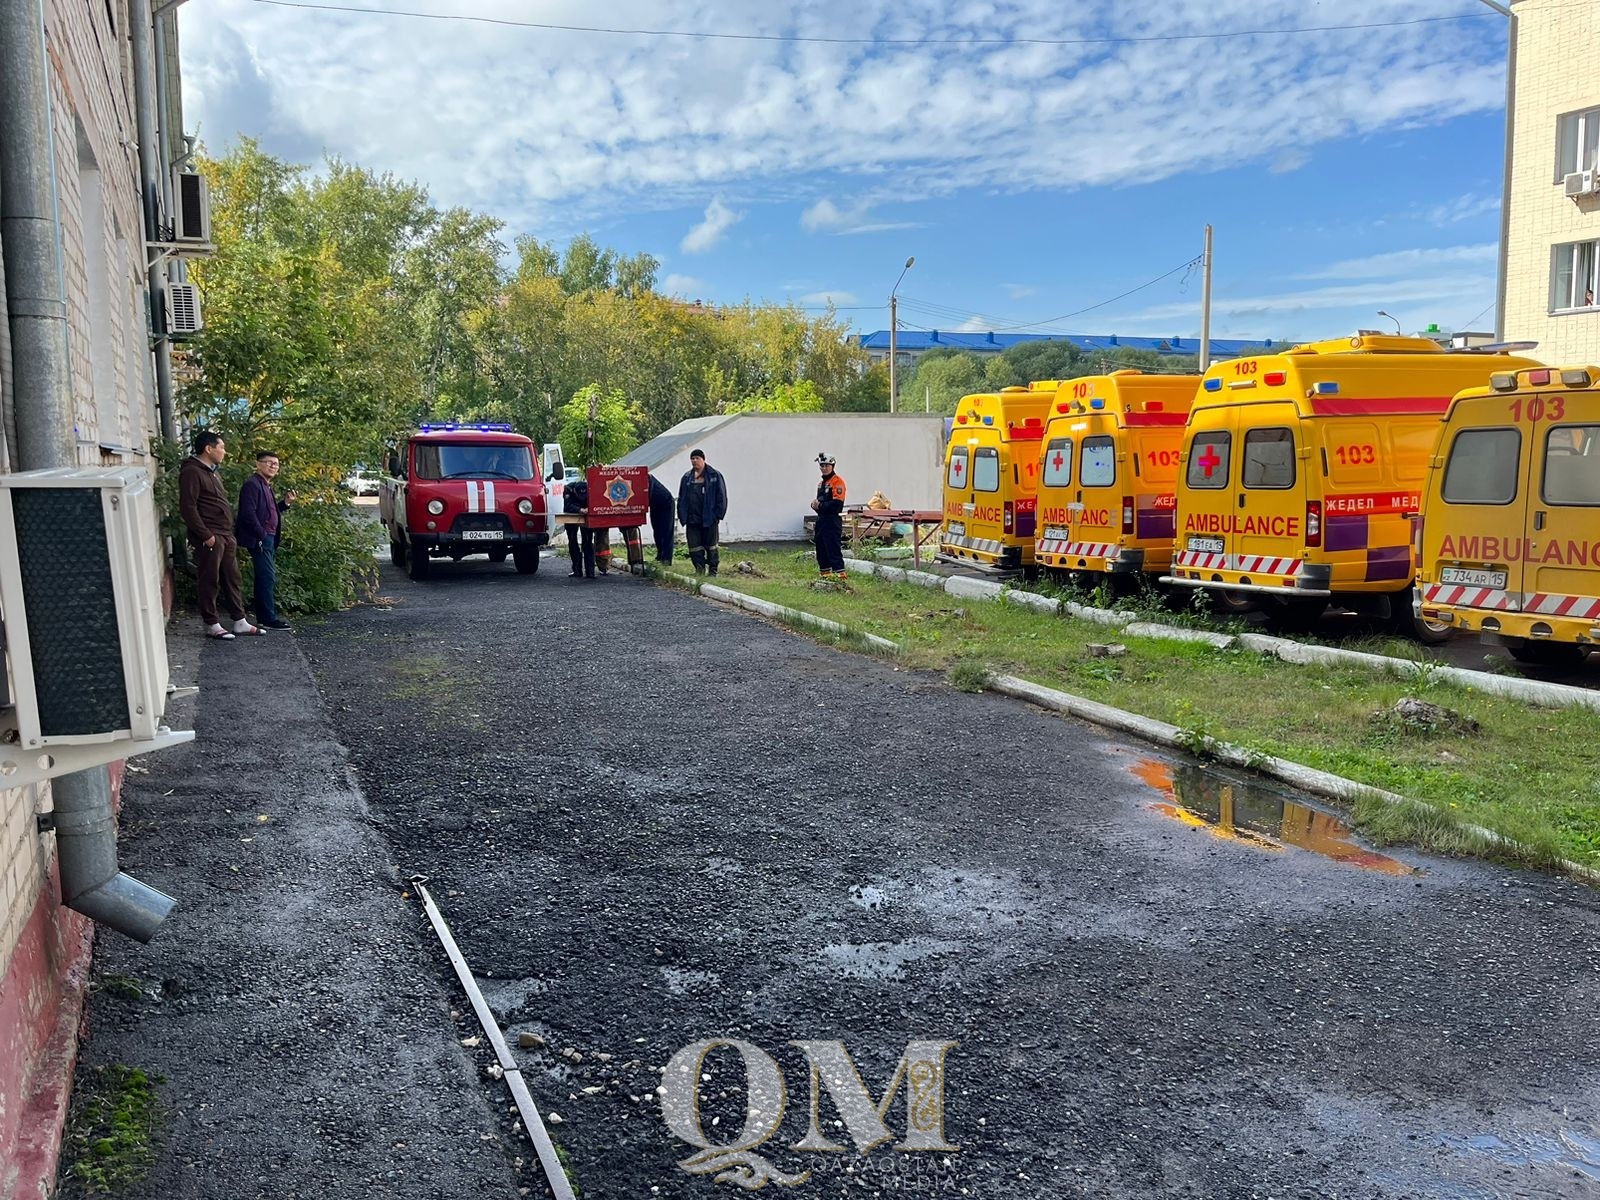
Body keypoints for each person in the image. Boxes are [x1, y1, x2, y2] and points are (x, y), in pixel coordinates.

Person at [179, 431, 263, 640]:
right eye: (222, 447)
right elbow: (188, 507)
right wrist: (206, 535)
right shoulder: (192, 472)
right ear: (209, 448)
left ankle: (239, 621)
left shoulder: (212, 472)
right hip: (211, 536)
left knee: (232, 577)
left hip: (225, 534)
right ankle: (211, 623)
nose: (224, 452)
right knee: (209, 579)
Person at [236, 450, 296, 629]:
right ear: (258, 464)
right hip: (260, 538)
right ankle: (267, 618)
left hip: (268, 537)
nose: (273, 466)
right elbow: (248, 513)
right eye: (268, 462)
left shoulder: (266, 485)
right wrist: (261, 534)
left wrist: (284, 504)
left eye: (276, 464)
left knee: (266, 577)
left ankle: (265, 616)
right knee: (266, 577)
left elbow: (268, 512)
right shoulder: (252, 485)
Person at [677, 448, 728, 576]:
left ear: (703, 459)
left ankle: (713, 571)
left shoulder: (714, 476)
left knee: (711, 546)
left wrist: (718, 515)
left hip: (709, 518)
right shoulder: (687, 478)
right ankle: (699, 570)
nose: (694, 461)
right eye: (692, 458)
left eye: (697, 458)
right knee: (694, 546)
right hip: (692, 519)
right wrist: (682, 515)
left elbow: (721, 496)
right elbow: (681, 497)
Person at [810, 451, 848, 579]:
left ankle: (840, 577)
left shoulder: (837, 482)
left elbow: (837, 506)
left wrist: (820, 506)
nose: (824, 468)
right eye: (822, 466)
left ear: (832, 466)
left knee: (833, 549)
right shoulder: (821, 484)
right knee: (821, 549)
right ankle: (825, 576)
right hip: (821, 520)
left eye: (826, 465)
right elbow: (820, 504)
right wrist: (815, 506)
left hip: (832, 521)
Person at [564, 477, 596, 579]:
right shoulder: (568, 489)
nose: (582, 497)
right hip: (572, 515)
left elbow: (596, 503)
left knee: (587, 541)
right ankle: (577, 570)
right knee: (572, 540)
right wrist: (579, 509)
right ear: (575, 491)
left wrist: (589, 508)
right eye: (580, 495)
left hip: (586, 516)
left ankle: (590, 572)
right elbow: (567, 506)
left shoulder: (591, 489)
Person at [648, 474, 676, 564]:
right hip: (655, 505)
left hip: (666, 503)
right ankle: (660, 556)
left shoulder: (648, 479)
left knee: (666, 531)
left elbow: (648, 494)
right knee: (657, 531)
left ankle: (667, 559)